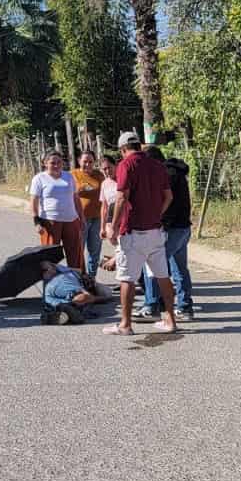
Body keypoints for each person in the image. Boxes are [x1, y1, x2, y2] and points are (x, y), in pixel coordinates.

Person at [104, 131, 176, 336]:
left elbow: (121, 198)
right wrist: (156, 213)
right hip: (156, 231)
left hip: (133, 231)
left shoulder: (126, 165)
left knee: (127, 278)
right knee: (163, 276)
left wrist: (114, 226)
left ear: (122, 149)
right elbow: (168, 196)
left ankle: (125, 324)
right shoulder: (157, 165)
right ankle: (171, 320)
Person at [140, 146, 195, 321]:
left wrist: (158, 223)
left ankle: (151, 306)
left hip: (171, 229)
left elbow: (165, 202)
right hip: (183, 227)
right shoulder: (176, 172)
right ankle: (185, 307)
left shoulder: (166, 175)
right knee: (179, 269)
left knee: (152, 264)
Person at [28, 150, 84, 273]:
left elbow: (75, 198)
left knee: (75, 255)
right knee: (50, 257)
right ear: (45, 163)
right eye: (53, 163)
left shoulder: (69, 177)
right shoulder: (39, 178)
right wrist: (36, 221)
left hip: (71, 220)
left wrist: (81, 217)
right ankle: (51, 282)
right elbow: (33, 201)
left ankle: (76, 281)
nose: (56, 165)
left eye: (59, 162)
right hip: (50, 221)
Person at [73, 150, 105, 280]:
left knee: (95, 250)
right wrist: (81, 188)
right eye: (85, 161)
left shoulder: (99, 175)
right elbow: (71, 192)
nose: (87, 164)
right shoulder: (73, 175)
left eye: (90, 161)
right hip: (80, 218)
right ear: (79, 161)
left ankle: (91, 278)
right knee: (78, 249)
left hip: (98, 217)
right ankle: (79, 277)